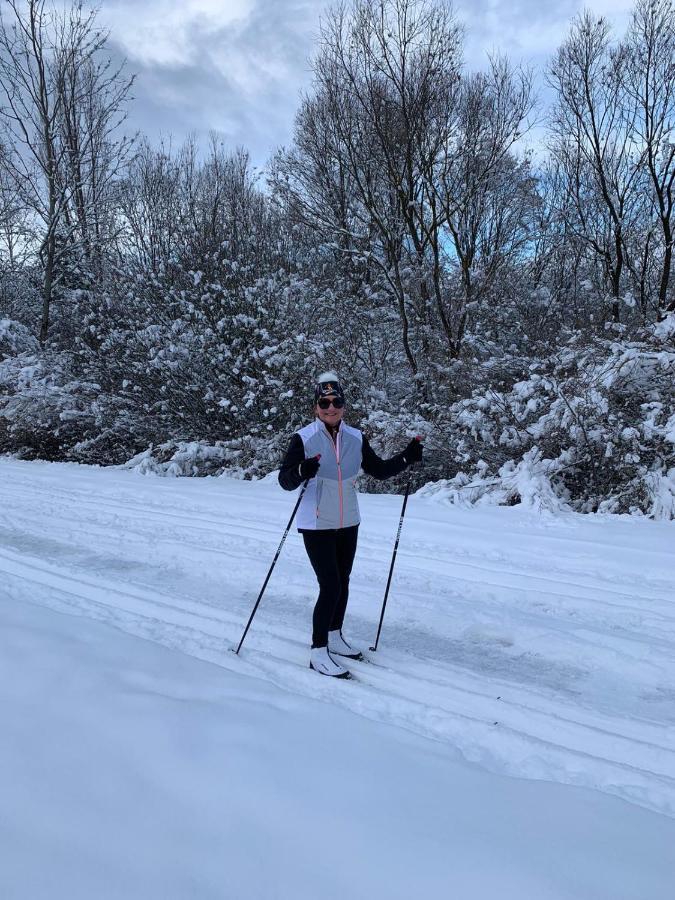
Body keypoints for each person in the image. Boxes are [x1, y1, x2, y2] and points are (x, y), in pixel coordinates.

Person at [278, 372, 423, 679]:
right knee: (329, 585)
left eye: (336, 402)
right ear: (316, 406)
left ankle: (334, 635)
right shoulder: (303, 439)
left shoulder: (356, 437)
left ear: (344, 405)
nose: (331, 407)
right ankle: (318, 652)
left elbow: (379, 470)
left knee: (343, 581)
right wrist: (303, 469)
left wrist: (407, 458)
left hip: (348, 521)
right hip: (316, 523)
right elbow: (285, 481)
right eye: (324, 402)